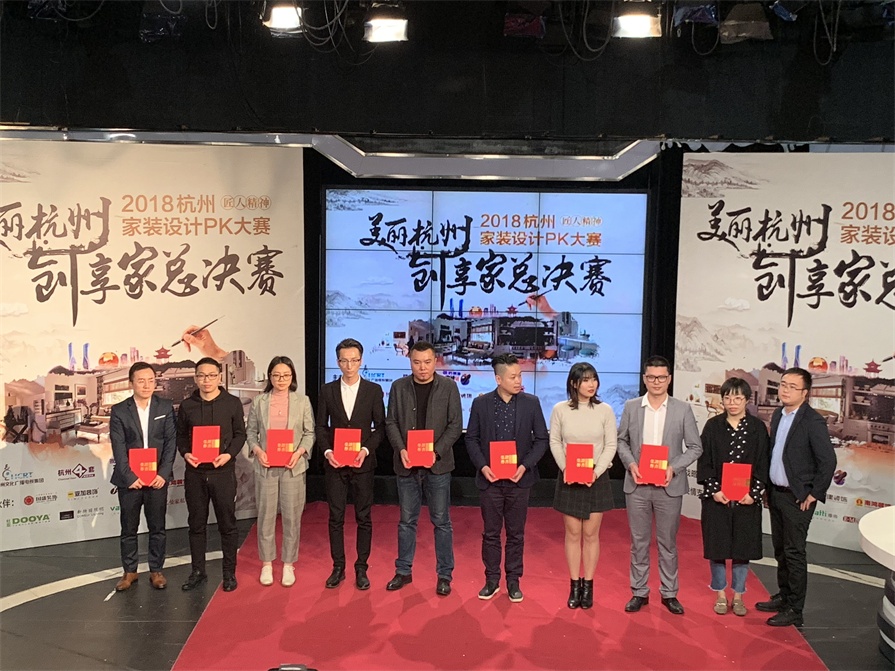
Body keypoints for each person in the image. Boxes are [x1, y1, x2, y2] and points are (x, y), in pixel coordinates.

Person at [616, 355, 703, 615]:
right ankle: (639, 591)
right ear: (644, 379)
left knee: (668, 543)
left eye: (661, 377)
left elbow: (695, 447)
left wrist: (673, 467)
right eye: (652, 377)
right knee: (639, 542)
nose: (656, 382)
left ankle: (669, 593)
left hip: (669, 485)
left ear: (669, 379)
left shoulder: (682, 409)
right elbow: (621, 441)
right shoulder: (632, 406)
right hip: (638, 485)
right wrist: (631, 464)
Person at [756, 367, 836, 627]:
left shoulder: (812, 421)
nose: (785, 390)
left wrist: (814, 493)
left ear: (805, 392)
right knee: (780, 549)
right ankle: (784, 596)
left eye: (792, 386)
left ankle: (795, 608)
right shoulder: (778, 414)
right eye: (783, 384)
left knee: (794, 552)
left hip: (798, 498)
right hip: (776, 493)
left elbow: (828, 461)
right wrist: (767, 488)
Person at [465, 353, 548, 603]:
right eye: (513, 377)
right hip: (490, 480)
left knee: (516, 534)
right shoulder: (481, 404)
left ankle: (513, 581)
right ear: (498, 379)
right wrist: (483, 466)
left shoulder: (531, 403)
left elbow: (541, 439)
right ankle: (491, 580)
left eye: (520, 375)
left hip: (519, 480)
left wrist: (524, 466)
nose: (518, 381)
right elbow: (471, 439)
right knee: (490, 533)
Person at [385, 340, 462, 596]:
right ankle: (403, 571)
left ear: (435, 361)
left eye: (427, 362)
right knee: (406, 521)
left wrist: (435, 452)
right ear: (410, 362)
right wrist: (401, 449)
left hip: (437, 465)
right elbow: (391, 422)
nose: (422, 368)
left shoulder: (449, 387)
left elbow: (455, 425)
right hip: (407, 464)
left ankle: (444, 575)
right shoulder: (398, 387)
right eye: (417, 362)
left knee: (441, 521)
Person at [696, 377, 769, 617]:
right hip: (718, 498)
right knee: (717, 548)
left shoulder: (757, 428)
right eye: (728, 398)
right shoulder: (713, 426)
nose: (732, 403)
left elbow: (763, 463)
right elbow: (704, 462)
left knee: (742, 549)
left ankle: (738, 595)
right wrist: (715, 490)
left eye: (738, 398)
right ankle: (720, 594)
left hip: (747, 499)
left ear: (747, 400)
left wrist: (754, 493)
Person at [316, 338, 385, 591]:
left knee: (363, 517)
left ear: (361, 361)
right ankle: (338, 567)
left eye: (354, 360)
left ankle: (361, 567)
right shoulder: (327, 390)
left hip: (362, 463)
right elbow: (321, 426)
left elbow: (381, 427)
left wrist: (366, 450)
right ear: (338, 362)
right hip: (335, 463)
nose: (349, 365)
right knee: (335, 517)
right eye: (344, 361)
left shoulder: (373, 390)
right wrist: (327, 451)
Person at [549, 362, 617, 609]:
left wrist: (596, 472)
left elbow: (611, 445)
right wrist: (565, 468)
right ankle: (574, 585)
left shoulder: (605, 410)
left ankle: (588, 585)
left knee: (591, 534)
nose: (591, 384)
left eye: (594, 379)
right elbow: (555, 441)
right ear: (574, 383)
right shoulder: (560, 409)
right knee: (573, 533)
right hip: (570, 476)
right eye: (585, 380)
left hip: (596, 477)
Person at [177, 357, 247, 593]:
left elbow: (240, 434)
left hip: (223, 473)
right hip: (195, 473)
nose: (206, 380)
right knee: (196, 524)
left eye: (211, 375)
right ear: (196, 378)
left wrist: (228, 455)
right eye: (201, 375)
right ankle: (198, 571)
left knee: (227, 524)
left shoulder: (232, 403)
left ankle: (229, 573)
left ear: (220, 377)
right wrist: (186, 453)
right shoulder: (187, 406)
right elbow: (181, 436)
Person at [246, 356, 315, 588]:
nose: (281, 379)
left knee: (292, 517)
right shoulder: (259, 401)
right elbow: (251, 432)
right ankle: (266, 563)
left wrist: (300, 452)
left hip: (292, 467)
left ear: (292, 377)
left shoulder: (302, 401)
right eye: (276, 375)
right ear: (270, 377)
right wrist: (257, 450)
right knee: (265, 516)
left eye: (286, 375)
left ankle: (288, 564)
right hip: (266, 466)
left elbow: (309, 433)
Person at [109, 362, 177, 591]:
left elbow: (171, 442)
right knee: (129, 528)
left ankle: (156, 570)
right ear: (131, 383)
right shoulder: (119, 410)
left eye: (151, 380)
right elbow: (118, 447)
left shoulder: (165, 407)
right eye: (141, 381)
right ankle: (130, 571)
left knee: (157, 527)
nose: (147, 385)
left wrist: (163, 473)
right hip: (130, 480)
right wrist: (129, 477)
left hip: (157, 478)